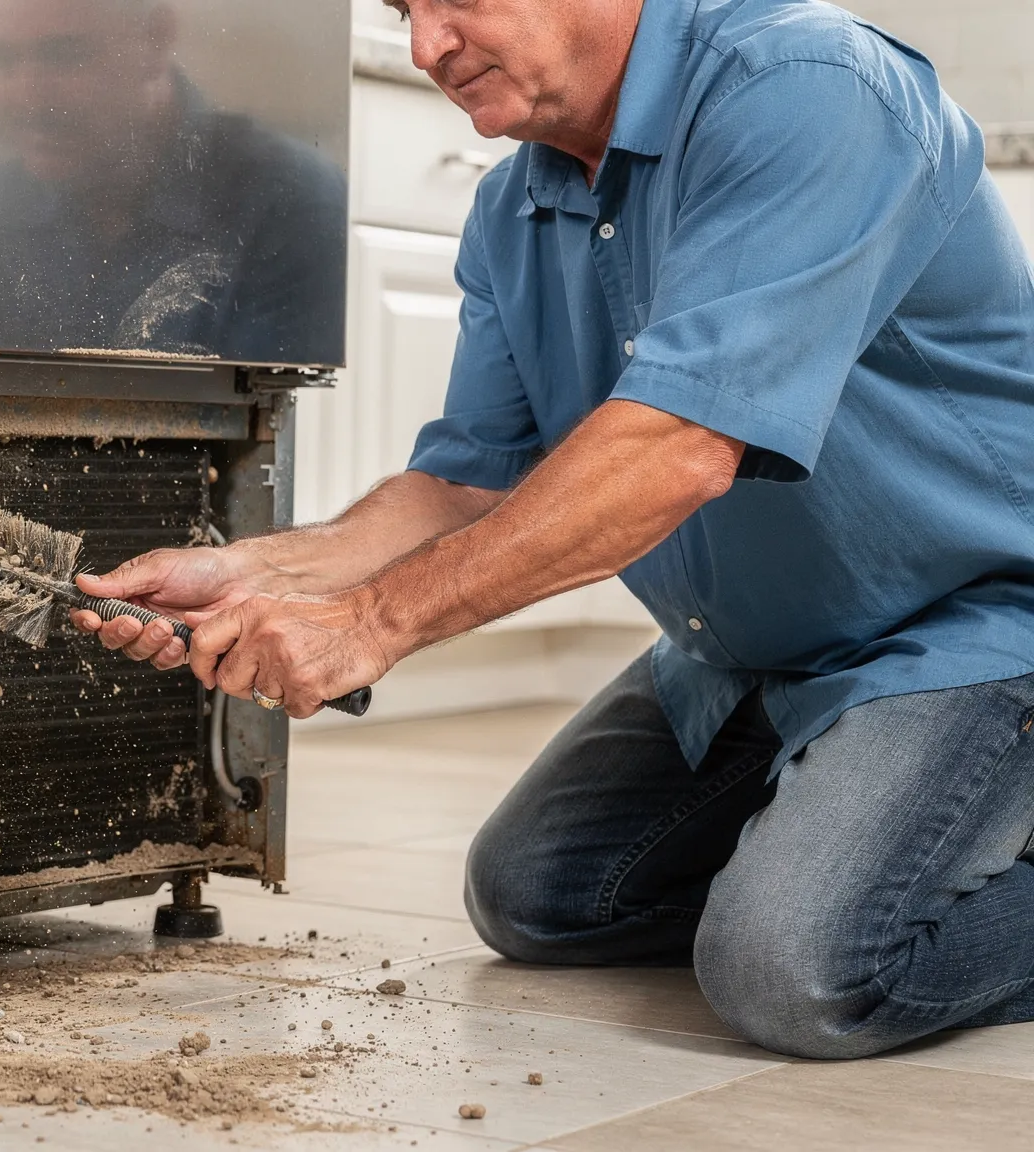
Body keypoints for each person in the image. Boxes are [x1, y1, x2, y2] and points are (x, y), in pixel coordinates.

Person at [73, 0, 1034, 1060]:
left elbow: (678, 444)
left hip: (971, 626)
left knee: (796, 976)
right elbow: (466, 482)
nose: (428, 46)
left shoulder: (809, 87)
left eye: (455, 0)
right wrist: (249, 571)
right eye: (402, 13)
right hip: (751, 658)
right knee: (539, 897)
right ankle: (859, 833)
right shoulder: (512, 209)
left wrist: (371, 624)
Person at [0, 0, 345, 364]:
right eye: (3, 59)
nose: (29, 97)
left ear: (156, 37)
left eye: (64, 55)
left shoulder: (292, 202)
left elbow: (275, 433)